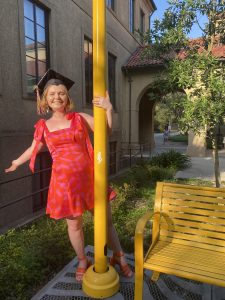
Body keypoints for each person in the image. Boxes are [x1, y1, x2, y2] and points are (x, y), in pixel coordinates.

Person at [5, 69, 133, 282]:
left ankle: (119, 256)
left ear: (67, 97)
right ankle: (83, 260)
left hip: (92, 180)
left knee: (106, 221)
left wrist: (108, 109)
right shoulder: (43, 126)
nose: (57, 97)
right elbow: (33, 149)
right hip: (65, 185)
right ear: (46, 99)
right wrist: (17, 162)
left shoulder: (80, 118)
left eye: (61, 93)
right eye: (52, 94)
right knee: (74, 225)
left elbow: (106, 132)